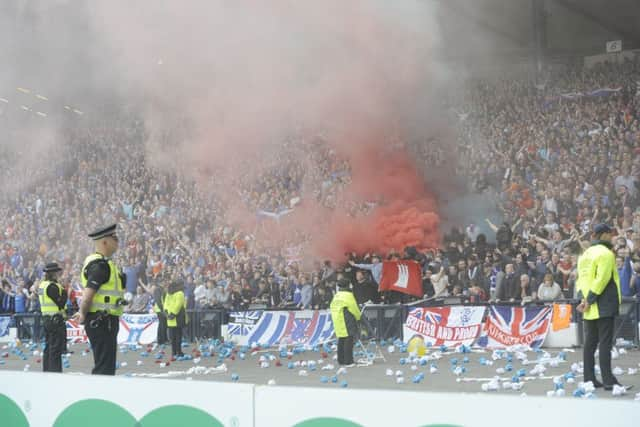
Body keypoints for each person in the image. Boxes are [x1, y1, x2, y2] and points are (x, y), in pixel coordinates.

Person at [576, 223, 631, 391]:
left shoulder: (585, 254)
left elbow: (580, 280)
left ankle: (589, 379)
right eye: (610, 233)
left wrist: (583, 300)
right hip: (603, 304)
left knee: (590, 344)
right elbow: (602, 279)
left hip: (588, 306)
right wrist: (591, 299)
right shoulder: (606, 254)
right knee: (605, 344)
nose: (612, 236)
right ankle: (609, 380)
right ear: (604, 235)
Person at [74, 223, 126, 375]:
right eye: (114, 238)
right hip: (101, 320)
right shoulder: (100, 265)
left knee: (106, 364)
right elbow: (88, 293)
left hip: (105, 320)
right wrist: (82, 313)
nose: (117, 241)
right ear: (104, 242)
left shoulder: (104, 263)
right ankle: (99, 396)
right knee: (104, 367)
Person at [38, 262, 67, 373]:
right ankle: (55, 372)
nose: (58, 274)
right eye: (56, 272)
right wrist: (64, 292)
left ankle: (47, 370)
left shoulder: (42, 285)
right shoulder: (52, 286)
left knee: (48, 346)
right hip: (55, 320)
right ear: (53, 273)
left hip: (46, 318)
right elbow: (60, 302)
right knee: (55, 348)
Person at [329, 278, 361, 367]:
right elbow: (354, 308)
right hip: (346, 318)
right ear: (348, 285)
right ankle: (349, 361)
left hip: (337, 318)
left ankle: (341, 359)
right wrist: (358, 317)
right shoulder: (348, 295)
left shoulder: (337, 295)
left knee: (341, 339)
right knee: (349, 339)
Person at [163, 280, 188, 359]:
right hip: (178, 317)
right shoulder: (180, 293)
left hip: (170, 319)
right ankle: (179, 351)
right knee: (178, 336)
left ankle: (173, 352)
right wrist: (173, 313)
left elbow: (165, 304)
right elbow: (178, 304)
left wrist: (167, 313)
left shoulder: (168, 294)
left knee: (172, 337)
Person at [152, 281, 168, 345]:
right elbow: (158, 300)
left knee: (162, 324)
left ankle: (162, 339)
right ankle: (162, 340)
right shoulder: (158, 289)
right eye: (163, 282)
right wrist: (162, 309)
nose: (165, 283)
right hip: (160, 309)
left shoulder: (161, 289)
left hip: (161, 309)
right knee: (163, 325)